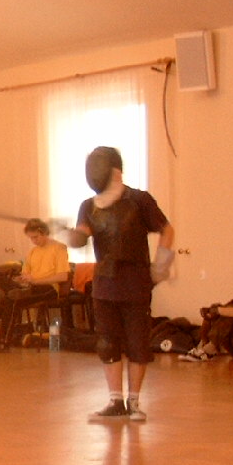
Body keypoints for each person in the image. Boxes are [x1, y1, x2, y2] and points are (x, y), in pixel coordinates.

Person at [68, 146, 174, 421]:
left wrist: (160, 267)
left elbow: (166, 229)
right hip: (104, 284)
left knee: (138, 344)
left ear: (115, 172)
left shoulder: (139, 200)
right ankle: (115, 401)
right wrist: (72, 237)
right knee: (107, 343)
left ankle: (134, 402)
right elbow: (82, 234)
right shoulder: (88, 206)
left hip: (135, 282)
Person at [0, 217, 70, 350]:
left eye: (35, 237)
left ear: (44, 232)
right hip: (31, 286)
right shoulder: (33, 251)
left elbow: (63, 276)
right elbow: (26, 274)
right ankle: (1, 339)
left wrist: (36, 280)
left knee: (10, 299)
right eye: (31, 238)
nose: (33, 241)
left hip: (49, 288)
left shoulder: (59, 248)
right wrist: (21, 279)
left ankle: (2, 340)